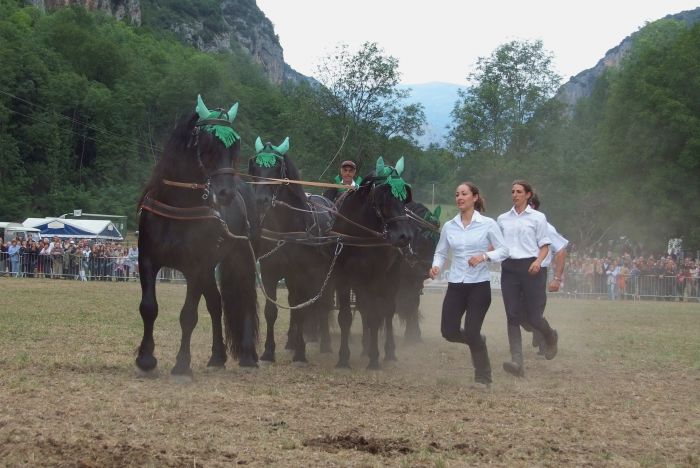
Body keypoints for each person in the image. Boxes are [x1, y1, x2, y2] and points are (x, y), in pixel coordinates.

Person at [429, 182, 509, 388]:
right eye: (456, 194)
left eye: (464, 194)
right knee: (448, 331)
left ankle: (483, 377)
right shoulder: (449, 226)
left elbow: (504, 250)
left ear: (474, 197)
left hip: (478, 286)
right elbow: (440, 252)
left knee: (472, 331)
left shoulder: (488, 224)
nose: (459, 198)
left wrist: (484, 256)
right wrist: (436, 266)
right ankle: (478, 341)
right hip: (456, 284)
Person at [497, 180, 559, 378]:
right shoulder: (502, 219)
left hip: (531, 268)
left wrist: (539, 261)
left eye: (519, 191)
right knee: (512, 315)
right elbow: (498, 246)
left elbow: (545, 245)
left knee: (533, 317)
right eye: (513, 191)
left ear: (528, 195)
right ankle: (517, 361)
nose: (515, 194)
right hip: (509, 268)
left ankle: (550, 335)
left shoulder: (538, 218)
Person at [523, 193, 569, 356]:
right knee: (521, 316)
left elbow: (561, 249)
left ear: (533, 206)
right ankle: (539, 333)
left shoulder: (546, 227)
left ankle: (547, 339)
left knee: (534, 315)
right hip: (521, 272)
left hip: (538, 272)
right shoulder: (517, 225)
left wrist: (557, 278)